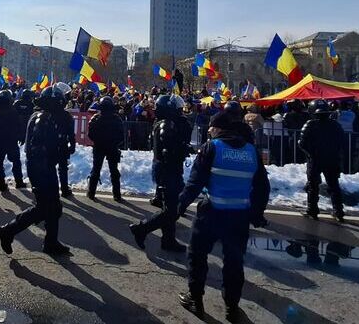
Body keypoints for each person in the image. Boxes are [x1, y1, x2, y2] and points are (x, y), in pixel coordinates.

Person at [175, 111, 271, 321]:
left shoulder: (212, 147)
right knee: (234, 262)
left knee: (197, 256)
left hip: (211, 213)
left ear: (219, 129)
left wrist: (179, 206)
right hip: (239, 217)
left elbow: (194, 183)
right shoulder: (251, 151)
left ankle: (195, 298)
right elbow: (262, 186)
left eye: (211, 127)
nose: (209, 131)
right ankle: (232, 307)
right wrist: (256, 214)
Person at [0, 86, 71, 256]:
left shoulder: (44, 116)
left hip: (44, 167)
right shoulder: (42, 119)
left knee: (54, 207)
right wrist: (59, 151)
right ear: (52, 103)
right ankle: (8, 230)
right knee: (44, 208)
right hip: (41, 169)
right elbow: (39, 148)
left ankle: (51, 242)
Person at [130, 95, 192, 252]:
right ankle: (141, 229)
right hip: (167, 170)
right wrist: (182, 149)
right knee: (172, 210)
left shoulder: (167, 123)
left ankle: (168, 240)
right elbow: (168, 151)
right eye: (177, 108)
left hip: (168, 169)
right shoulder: (166, 125)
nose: (180, 111)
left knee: (169, 206)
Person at [298, 100, 345, 222]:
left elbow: (301, 143)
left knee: (313, 185)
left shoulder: (310, 124)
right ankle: (338, 211)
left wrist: (311, 153)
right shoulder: (335, 125)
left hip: (315, 160)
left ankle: (312, 209)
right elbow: (342, 141)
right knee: (334, 185)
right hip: (331, 159)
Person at [0, 90, 26, 191]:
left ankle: (1, 182)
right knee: (14, 161)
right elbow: (20, 126)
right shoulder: (12, 112)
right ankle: (18, 181)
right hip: (10, 141)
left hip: (1, 142)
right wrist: (21, 137)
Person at [86, 96, 124, 201]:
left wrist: (98, 141)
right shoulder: (117, 119)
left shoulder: (95, 118)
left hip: (99, 147)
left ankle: (91, 193)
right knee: (114, 171)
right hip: (112, 147)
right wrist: (114, 143)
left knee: (96, 170)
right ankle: (117, 195)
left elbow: (90, 134)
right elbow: (121, 136)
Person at [53, 82, 76, 198]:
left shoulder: (45, 113)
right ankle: (64, 189)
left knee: (52, 166)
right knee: (62, 167)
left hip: (51, 143)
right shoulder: (66, 115)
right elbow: (71, 132)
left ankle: (52, 188)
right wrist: (72, 145)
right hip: (60, 144)